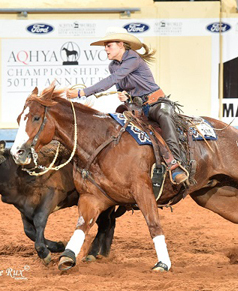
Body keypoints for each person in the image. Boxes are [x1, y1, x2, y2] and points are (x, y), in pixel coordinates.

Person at [66, 27, 188, 185]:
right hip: (137, 108)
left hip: (156, 103)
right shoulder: (113, 66)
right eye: (105, 46)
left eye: (109, 45)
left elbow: (113, 79)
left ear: (121, 45)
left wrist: (83, 92)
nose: (105, 49)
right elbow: (120, 87)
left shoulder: (133, 58)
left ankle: (176, 163)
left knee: (165, 116)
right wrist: (126, 97)